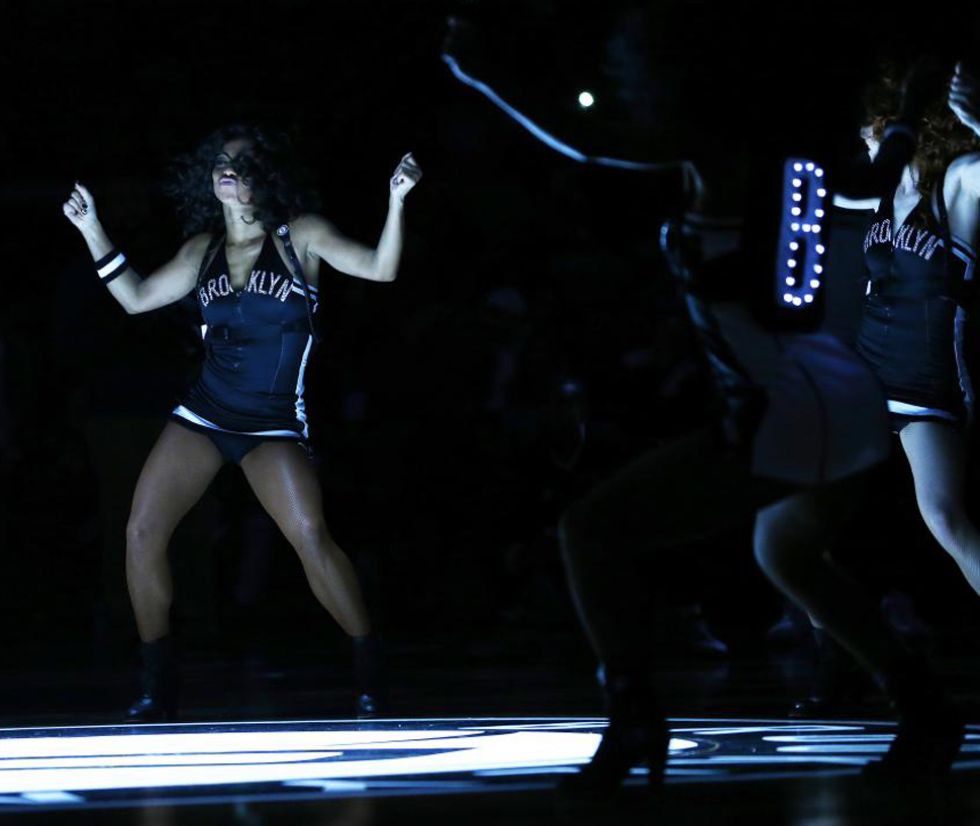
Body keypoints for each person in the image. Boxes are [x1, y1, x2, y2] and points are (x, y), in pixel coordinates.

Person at [443, 9, 972, 798]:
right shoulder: (798, 146)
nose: (626, 79)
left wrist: (484, 74)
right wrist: (904, 116)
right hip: (826, 392)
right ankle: (923, 706)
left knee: (592, 532)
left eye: (635, 66)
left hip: (795, 404)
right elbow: (870, 181)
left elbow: (590, 142)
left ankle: (636, 721)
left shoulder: (726, 148)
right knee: (783, 552)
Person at [63, 124, 421, 721]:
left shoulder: (300, 235)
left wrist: (397, 200)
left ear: (266, 176)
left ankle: (370, 668)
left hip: (273, 422)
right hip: (204, 413)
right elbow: (135, 298)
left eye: (242, 164)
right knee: (140, 532)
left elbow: (381, 269)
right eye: (220, 164)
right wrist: (91, 229)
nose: (228, 171)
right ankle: (157, 682)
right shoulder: (200, 251)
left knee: (309, 536)